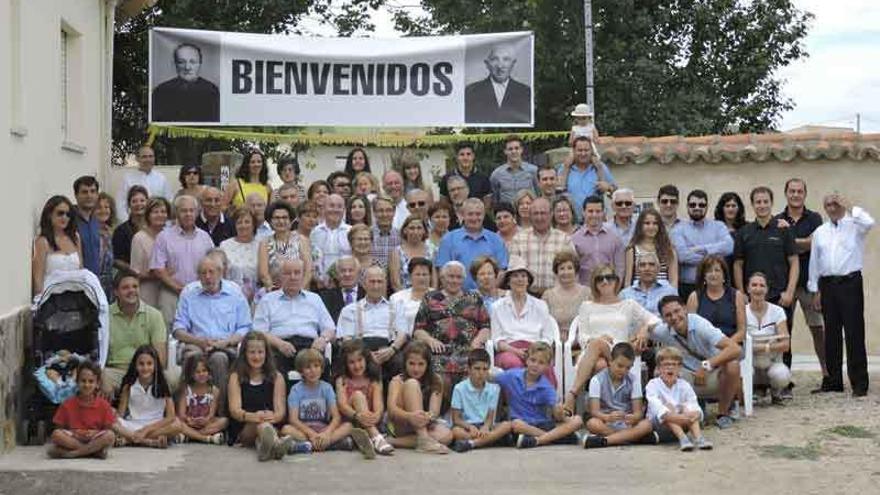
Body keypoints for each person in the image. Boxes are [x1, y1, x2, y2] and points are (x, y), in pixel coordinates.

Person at [562, 265, 660, 416]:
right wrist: (597, 339)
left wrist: (644, 329)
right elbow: (582, 337)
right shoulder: (587, 306)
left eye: (609, 277)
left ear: (616, 281)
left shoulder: (628, 304)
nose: (605, 281)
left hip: (620, 351)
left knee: (598, 346)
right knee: (600, 361)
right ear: (595, 283)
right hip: (592, 353)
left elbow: (655, 319)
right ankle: (607, 410)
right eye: (600, 278)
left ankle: (572, 395)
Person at [634, 295, 742, 429]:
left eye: (677, 311)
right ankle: (677, 415)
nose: (674, 317)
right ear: (663, 319)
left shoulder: (700, 325)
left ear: (685, 309)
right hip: (687, 377)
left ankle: (723, 413)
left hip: (713, 372)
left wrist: (707, 365)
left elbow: (735, 349)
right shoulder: (665, 330)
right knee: (659, 373)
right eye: (668, 315)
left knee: (733, 365)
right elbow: (649, 326)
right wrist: (644, 330)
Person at [808, 193, 874, 396]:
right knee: (832, 334)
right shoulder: (820, 232)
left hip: (850, 283)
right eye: (828, 205)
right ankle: (833, 380)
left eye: (836, 204)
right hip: (827, 285)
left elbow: (869, 222)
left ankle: (859, 383)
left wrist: (850, 205)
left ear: (842, 204)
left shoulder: (855, 226)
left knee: (854, 332)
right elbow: (815, 262)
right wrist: (815, 290)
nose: (832, 208)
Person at [733, 186, 798, 389]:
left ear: (771, 203)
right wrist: (741, 293)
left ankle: (782, 386)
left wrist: (789, 291)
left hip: (779, 296)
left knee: (783, 341)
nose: (762, 205)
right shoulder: (744, 232)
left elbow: (794, 261)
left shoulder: (783, 229)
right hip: (751, 296)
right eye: (758, 202)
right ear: (753, 205)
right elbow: (738, 264)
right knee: (750, 339)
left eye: (765, 201)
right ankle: (758, 386)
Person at [172, 256, 252, 395]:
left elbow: (245, 327)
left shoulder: (235, 293)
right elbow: (178, 329)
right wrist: (199, 341)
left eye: (211, 272)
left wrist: (226, 342)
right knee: (193, 357)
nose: (207, 277)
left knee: (219, 359)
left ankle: (220, 410)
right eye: (203, 273)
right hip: (196, 343)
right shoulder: (189, 293)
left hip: (226, 345)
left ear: (220, 273)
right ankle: (187, 408)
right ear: (198, 276)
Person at [253, 259, 335, 386]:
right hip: (279, 347)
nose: (293, 277)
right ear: (280, 276)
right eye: (287, 273)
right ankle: (284, 405)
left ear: (303, 275)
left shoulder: (315, 299)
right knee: (275, 369)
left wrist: (323, 339)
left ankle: (321, 404)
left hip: (309, 346)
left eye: (297, 273)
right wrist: (279, 344)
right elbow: (259, 331)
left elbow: (330, 328)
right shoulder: (267, 300)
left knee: (322, 364)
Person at [281, 348, 376, 458]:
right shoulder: (296, 390)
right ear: (301, 371)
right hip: (304, 430)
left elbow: (336, 417)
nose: (313, 371)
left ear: (321, 369)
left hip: (324, 428)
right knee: (286, 429)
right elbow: (293, 419)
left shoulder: (327, 388)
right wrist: (311, 434)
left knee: (348, 426)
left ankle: (306, 446)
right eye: (308, 367)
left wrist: (326, 433)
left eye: (316, 366)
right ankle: (335, 444)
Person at [776, 178, 827, 378]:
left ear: (805, 194)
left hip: (810, 283)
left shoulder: (815, 218)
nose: (795, 195)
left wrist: (787, 238)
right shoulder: (777, 218)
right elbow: (805, 244)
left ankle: (827, 373)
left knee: (817, 329)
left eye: (799, 191)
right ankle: (783, 377)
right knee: (783, 330)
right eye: (792, 191)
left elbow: (816, 244)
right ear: (786, 193)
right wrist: (804, 243)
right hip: (786, 284)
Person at [414, 260, 491, 389]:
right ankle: (445, 409)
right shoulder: (430, 298)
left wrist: (477, 341)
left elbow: (485, 326)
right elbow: (418, 329)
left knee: (473, 377)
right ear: (442, 278)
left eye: (458, 277)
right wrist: (429, 340)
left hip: (468, 351)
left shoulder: (474, 298)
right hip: (439, 352)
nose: (454, 281)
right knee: (440, 381)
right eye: (451, 276)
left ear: (463, 280)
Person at [496, 342, 583, 449]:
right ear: (527, 360)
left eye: (541, 363)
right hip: (522, 426)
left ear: (547, 366)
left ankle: (537, 440)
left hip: (542, 424)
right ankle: (557, 438)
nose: (535, 365)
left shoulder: (547, 387)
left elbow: (557, 414)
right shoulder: (512, 376)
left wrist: (560, 412)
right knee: (515, 424)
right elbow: (491, 377)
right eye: (533, 360)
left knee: (578, 420)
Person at [489, 257, 559, 386]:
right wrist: (515, 351)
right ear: (509, 281)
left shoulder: (541, 305)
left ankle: (547, 403)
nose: (520, 279)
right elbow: (497, 340)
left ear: (528, 281)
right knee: (513, 363)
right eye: (515, 276)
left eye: (523, 276)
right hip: (509, 350)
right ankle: (520, 403)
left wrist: (534, 352)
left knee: (541, 364)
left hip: (536, 349)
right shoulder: (497, 307)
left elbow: (548, 337)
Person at [225, 331, 291, 460]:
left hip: (270, 423)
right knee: (261, 426)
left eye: (260, 352)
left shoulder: (277, 377)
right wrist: (255, 417)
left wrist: (270, 417)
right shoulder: (236, 376)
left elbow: (280, 412)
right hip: (245, 426)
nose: (256, 357)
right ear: (244, 354)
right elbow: (235, 411)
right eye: (252, 352)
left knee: (265, 427)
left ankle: (266, 448)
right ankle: (275, 445)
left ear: (266, 354)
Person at [150, 195, 214, 320]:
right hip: (171, 294)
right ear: (176, 212)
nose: (188, 214)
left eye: (191, 210)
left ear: (197, 213)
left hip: (200, 293)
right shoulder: (164, 237)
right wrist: (178, 288)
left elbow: (213, 265)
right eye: (184, 210)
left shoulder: (205, 237)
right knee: (169, 332)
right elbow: (158, 269)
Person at [336, 266, 410, 376]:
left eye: (380, 282)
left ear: (385, 283)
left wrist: (392, 349)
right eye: (372, 282)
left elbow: (403, 334)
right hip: (359, 350)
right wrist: (365, 355)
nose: (376, 286)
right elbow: (346, 339)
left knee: (400, 361)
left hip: (389, 348)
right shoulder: (350, 310)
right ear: (364, 284)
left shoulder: (396, 307)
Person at [102, 274, 167, 397]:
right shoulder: (105, 315)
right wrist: (102, 375)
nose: (131, 290)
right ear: (116, 292)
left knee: (173, 377)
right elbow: (98, 356)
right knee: (97, 378)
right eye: (125, 287)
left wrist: (145, 375)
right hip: (116, 372)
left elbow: (160, 359)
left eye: (135, 286)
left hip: (145, 371)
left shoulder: (154, 315)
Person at [582, 342, 656, 449]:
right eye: (620, 366)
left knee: (647, 424)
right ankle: (632, 438)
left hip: (627, 423)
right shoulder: (597, 380)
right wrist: (607, 417)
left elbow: (638, 413)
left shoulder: (633, 380)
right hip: (606, 422)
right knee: (592, 423)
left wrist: (633, 417)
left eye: (628, 368)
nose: (623, 371)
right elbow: (594, 411)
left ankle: (606, 440)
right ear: (610, 361)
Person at [385, 341, 453, 454]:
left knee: (447, 436)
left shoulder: (436, 380)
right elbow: (392, 410)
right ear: (405, 363)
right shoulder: (397, 380)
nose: (416, 369)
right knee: (412, 383)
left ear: (427, 365)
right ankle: (424, 440)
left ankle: (392, 441)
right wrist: (410, 416)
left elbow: (434, 412)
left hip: (423, 423)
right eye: (411, 363)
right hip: (402, 424)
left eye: (421, 364)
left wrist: (427, 417)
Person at [334, 339, 395, 455]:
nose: (357, 366)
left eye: (360, 360)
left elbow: (378, 405)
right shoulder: (342, 380)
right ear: (345, 364)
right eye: (351, 362)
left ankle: (368, 438)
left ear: (366, 359)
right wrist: (357, 416)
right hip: (352, 419)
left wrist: (376, 415)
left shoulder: (373, 379)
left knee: (361, 398)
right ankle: (376, 438)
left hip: (371, 419)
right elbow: (342, 405)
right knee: (358, 395)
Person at [645, 347, 712, 451]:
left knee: (688, 408)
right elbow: (656, 407)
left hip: (683, 421)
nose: (670, 368)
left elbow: (693, 402)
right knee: (668, 407)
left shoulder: (684, 385)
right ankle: (683, 439)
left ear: (680, 368)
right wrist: (675, 416)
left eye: (674, 364)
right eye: (666, 364)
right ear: (659, 368)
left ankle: (699, 438)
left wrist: (695, 413)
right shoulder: (652, 384)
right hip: (659, 424)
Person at [113, 345, 181, 448]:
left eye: (149, 364)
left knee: (177, 425)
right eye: (141, 364)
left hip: (156, 425)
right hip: (133, 424)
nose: (145, 368)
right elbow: (120, 415)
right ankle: (148, 441)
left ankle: (130, 439)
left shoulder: (163, 385)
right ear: (135, 365)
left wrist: (147, 429)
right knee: (111, 420)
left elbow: (170, 416)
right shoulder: (129, 386)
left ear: (155, 365)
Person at [672, 189, 734, 299]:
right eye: (693, 204)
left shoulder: (718, 226)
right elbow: (682, 256)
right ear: (687, 206)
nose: (697, 207)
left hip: (716, 286)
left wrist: (702, 248)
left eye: (701, 205)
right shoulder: (678, 229)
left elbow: (729, 247)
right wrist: (715, 257)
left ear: (706, 207)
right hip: (688, 287)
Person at [435, 199, 509, 291]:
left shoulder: (496, 239)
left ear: (484, 215)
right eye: (470, 214)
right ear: (462, 215)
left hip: (488, 296)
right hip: (458, 297)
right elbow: (442, 271)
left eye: (478, 214)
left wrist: (489, 291)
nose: (474, 218)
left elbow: (502, 271)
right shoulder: (449, 239)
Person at [48, 360, 116, 459]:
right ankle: (92, 452)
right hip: (74, 439)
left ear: (97, 384)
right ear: (77, 382)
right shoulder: (67, 404)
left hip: (94, 438)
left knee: (110, 436)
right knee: (56, 435)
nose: (87, 385)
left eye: (91, 381)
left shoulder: (104, 405)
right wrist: (76, 433)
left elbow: (107, 429)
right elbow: (58, 428)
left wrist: (94, 433)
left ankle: (75, 453)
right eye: (83, 381)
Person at [449, 349, 512, 453]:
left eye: (485, 369)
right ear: (468, 369)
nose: (481, 373)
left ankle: (472, 444)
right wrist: (470, 427)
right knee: (455, 432)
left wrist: (486, 427)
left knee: (507, 425)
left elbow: (490, 417)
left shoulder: (494, 388)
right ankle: (490, 440)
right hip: (468, 426)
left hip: (485, 425)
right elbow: (456, 419)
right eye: (477, 369)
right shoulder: (459, 388)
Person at [509, 197, 575, 295]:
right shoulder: (518, 240)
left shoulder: (564, 240)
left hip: (556, 295)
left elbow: (572, 271)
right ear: (530, 215)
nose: (539, 218)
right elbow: (513, 272)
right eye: (536, 213)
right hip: (526, 295)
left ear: (551, 214)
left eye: (543, 213)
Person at [745, 272, 792, 404]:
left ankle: (776, 392)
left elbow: (785, 344)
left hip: (772, 361)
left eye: (762, 285)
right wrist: (769, 345)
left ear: (767, 289)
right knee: (740, 372)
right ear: (748, 289)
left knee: (782, 375)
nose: (758, 289)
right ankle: (749, 393)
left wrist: (760, 347)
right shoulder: (741, 312)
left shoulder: (778, 311)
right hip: (750, 363)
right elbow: (739, 343)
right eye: (754, 285)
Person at [151, 42, 219, 122]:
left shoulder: (212, 90)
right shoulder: (161, 91)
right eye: (181, 62)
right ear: (175, 64)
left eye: (192, 62)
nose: (187, 67)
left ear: (200, 64)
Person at [464, 43, 531, 124]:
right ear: (487, 64)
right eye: (495, 59)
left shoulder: (526, 92)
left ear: (513, 63)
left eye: (506, 59)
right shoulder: (470, 92)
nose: (500, 66)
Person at [686, 255, 746, 342]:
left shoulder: (736, 295)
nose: (713, 274)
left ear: (724, 275)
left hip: (731, 346)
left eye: (717, 270)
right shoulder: (694, 297)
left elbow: (741, 332)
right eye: (709, 271)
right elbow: (691, 331)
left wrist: (726, 346)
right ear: (704, 276)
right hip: (703, 347)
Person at [557, 136, 616, 223]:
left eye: (586, 150)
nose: (583, 153)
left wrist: (609, 188)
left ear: (591, 151)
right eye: (580, 150)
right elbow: (557, 192)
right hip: (572, 222)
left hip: (595, 221)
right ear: (573, 151)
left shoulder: (600, 167)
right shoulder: (564, 168)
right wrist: (566, 167)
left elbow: (615, 193)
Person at [32, 195, 82, 296]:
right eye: (60, 213)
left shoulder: (75, 238)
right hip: (52, 299)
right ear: (49, 214)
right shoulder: (42, 242)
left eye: (68, 214)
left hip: (75, 298)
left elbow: (81, 271)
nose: (65, 217)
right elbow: (38, 281)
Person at [258, 201, 312, 291]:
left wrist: (299, 291)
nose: (281, 221)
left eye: (285, 217)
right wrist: (274, 291)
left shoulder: (301, 240)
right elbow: (264, 274)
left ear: (291, 220)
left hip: (300, 291)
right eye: (276, 218)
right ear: (270, 221)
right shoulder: (265, 243)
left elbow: (308, 271)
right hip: (275, 292)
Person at [572, 195, 625, 285]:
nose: (594, 215)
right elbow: (573, 270)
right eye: (590, 211)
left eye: (598, 211)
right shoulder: (574, 239)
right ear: (583, 212)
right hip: (585, 290)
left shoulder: (614, 238)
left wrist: (615, 288)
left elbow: (620, 268)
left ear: (604, 213)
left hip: (609, 288)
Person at [175, 355, 228, 444]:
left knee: (224, 421)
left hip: (206, 424)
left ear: (209, 372)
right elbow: (181, 414)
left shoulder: (214, 390)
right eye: (197, 372)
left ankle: (190, 436)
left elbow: (212, 413)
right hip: (189, 423)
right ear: (191, 374)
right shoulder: (186, 389)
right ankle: (206, 438)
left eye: (204, 371)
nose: (201, 374)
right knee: (176, 421)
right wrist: (189, 420)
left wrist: (206, 420)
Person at [130, 198, 169, 313]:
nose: (160, 215)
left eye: (163, 212)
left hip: (168, 293)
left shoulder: (170, 236)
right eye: (155, 212)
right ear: (148, 215)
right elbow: (134, 272)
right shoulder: (139, 238)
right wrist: (158, 274)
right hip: (148, 292)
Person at [542, 250, 591, 343]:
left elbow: (591, 322)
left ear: (576, 271)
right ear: (556, 272)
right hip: (555, 343)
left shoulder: (587, 293)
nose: (566, 272)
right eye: (562, 268)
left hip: (581, 343)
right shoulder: (548, 295)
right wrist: (557, 335)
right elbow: (544, 324)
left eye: (569, 268)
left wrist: (573, 336)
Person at [624, 207, 679, 288]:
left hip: (663, 294)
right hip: (639, 294)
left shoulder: (669, 249)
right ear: (640, 225)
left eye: (655, 223)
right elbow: (628, 281)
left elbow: (673, 280)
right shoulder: (632, 249)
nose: (651, 227)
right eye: (647, 223)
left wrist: (672, 296)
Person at [115, 145, 172, 216]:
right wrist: (127, 224)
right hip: (134, 222)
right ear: (137, 159)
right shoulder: (127, 178)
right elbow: (120, 204)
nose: (148, 159)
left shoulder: (161, 178)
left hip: (157, 221)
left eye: (151, 156)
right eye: (144, 157)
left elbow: (168, 202)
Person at [621, 252, 678, 317]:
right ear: (637, 270)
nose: (647, 268)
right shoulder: (625, 294)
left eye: (651, 265)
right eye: (642, 265)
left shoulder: (670, 292)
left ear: (658, 269)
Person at [220, 209, 260, 303]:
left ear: (253, 225)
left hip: (255, 299)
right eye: (239, 222)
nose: (243, 225)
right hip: (229, 297)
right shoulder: (225, 245)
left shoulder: (261, 246)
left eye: (247, 222)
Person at [310, 193, 351, 285]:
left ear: (344, 210)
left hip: (345, 284)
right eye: (331, 206)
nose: (335, 210)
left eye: (339, 206)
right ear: (323, 209)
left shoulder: (351, 232)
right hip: (319, 285)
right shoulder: (314, 232)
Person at [438, 143, 492, 211]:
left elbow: (487, 203)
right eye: (462, 154)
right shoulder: (446, 178)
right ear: (457, 157)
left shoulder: (483, 178)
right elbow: (443, 202)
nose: (465, 158)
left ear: (473, 156)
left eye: (468, 154)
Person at [390, 216, 435, 291]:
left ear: (424, 231)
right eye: (412, 228)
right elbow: (395, 282)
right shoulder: (397, 252)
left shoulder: (431, 251)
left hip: (428, 297)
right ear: (405, 230)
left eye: (419, 228)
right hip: (404, 296)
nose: (415, 231)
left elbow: (434, 280)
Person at [390, 257, 434, 335]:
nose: (421, 278)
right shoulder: (397, 298)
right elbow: (394, 327)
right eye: (417, 274)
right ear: (410, 276)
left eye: (425, 274)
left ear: (430, 276)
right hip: (403, 341)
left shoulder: (439, 297)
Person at [490, 136, 538, 205]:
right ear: (505, 151)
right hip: (507, 213)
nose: (514, 151)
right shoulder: (496, 174)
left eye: (516, 148)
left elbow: (538, 193)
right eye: (510, 149)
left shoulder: (533, 171)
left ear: (521, 149)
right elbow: (495, 199)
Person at [112, 185, 149, 275]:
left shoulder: (155, 228)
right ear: (129, 205)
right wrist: (134, 271)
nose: (139, 204)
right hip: (130, 278)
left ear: (148, 203)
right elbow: (116, 260)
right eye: (134, 201)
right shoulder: (121, 230)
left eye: (142, 201)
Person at [318, 257, 365, 323]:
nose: (347, 274)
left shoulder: (367, 295)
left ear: (358, 274)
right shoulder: (325, 297)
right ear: (337, 275)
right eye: (343, 271)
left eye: (351, 270)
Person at [73, 176, 101, 277]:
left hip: (96, 281)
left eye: (93, 191)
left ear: (97, 195)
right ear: (76, 195)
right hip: (77, 281)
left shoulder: (97, 221)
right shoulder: (69, 220)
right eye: (84, 192)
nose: (89, 196)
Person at [94, 192, 117, 300]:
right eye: (98, 207)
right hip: (94, 282)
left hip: (109, 284)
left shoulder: (111, 232)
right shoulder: (90, 233)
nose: (103, 210)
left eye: (106, 207)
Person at [370, 195, 401, 269]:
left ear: (394, 212)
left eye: (388, 210)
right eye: (380, 211)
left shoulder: (402, 236)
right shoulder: (366, 235)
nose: (385, 214)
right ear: (374, 212)